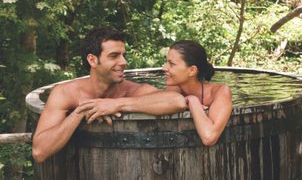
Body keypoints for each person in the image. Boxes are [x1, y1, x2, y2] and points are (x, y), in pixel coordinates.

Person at [32, 27, 186, 163]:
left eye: (123, 55)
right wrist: (80, 112)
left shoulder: (131, 90)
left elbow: (177, 101)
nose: (124, 61)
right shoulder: (65, 93)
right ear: (92, 60)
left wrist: (116, 104)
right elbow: (39, 152)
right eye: (114, 56)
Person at [163, 40, 233, 146]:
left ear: (192, 70)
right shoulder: (174, 87)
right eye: (166, 62)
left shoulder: (220, 92)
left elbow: (209, 138)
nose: (164, 68)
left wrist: (192, 100)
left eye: (171, 64)